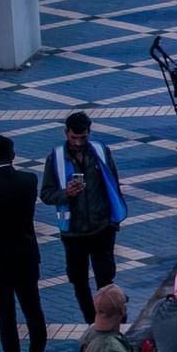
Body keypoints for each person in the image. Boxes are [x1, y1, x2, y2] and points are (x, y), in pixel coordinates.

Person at [38, 111, 129, 325]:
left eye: (83, 137)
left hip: (102, 229)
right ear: (66, 133)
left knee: (105, 281)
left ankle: (114, 322)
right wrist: (65, 194)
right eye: (74, 137)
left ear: (89, 132)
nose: (78, 142)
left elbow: (113, 185)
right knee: (79, 282)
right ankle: (93, 323)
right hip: (73, 233)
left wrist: (113, 222)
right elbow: (46, 194)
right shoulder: (56, 158)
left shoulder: (100, 152)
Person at [0, 135, 46, 352]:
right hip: (26, 257)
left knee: (7, 320)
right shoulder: (29, 181)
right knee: (33, 311)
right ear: (13, 156)